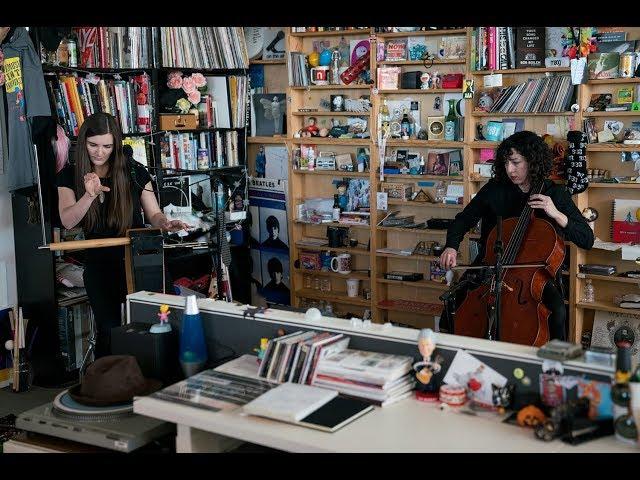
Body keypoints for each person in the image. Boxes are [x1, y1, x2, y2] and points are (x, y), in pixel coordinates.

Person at [439, 130, 594, 341]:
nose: (509, 169)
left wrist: (557, 214)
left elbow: (586, 239)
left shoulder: (555, 194)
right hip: (491, 267)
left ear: (532, 161)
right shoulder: (495, 189)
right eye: (505, 163)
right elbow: (463, 219)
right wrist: (451, 246)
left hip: (532, 277)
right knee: (453, 305)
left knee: (557, 311)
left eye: (515, 162)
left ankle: (555, 365)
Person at [57, 113, 189, 358]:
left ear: (116, 144)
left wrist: (166, 224)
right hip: (100, 264)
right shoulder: (69, 175)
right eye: (93, 145)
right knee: (110, 330)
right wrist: (89, 195)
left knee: (157, 324)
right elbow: (68, 221)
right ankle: (112, 386)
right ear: (83, 142)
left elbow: (154, 214)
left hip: (142, 259)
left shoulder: (134, 171)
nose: (99, 152)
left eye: (107, 146)